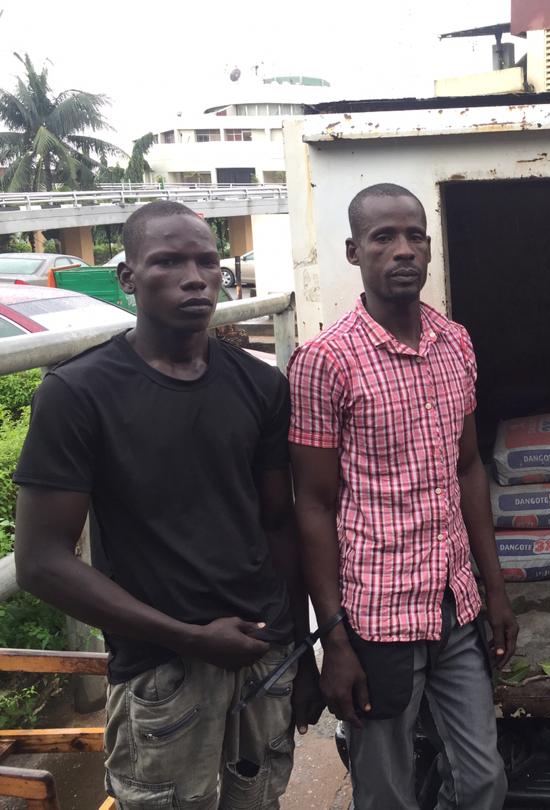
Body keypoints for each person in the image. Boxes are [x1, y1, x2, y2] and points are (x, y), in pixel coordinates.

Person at [14, 200, 322, 808]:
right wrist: (190, 637)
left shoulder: (260, 384)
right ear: (128, 277)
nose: (195, 278)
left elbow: (277, 522)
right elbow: (41, 562)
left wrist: (300, 653)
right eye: (169, 262)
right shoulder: (78, 393)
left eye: (207, 262)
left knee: (260, 799)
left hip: (262, 656)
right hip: (162, 670)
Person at [288, 182, 517, 810]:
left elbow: (468, 468)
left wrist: (495, 590)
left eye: (415, 235)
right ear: (353, 251)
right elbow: (313, 505)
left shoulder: (455, 342)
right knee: (386, 790)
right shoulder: (326, 360)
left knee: (483, 779)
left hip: (455, 603)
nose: (403, 250)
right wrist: (334, 638)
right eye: (383, 237)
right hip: (377, 616)